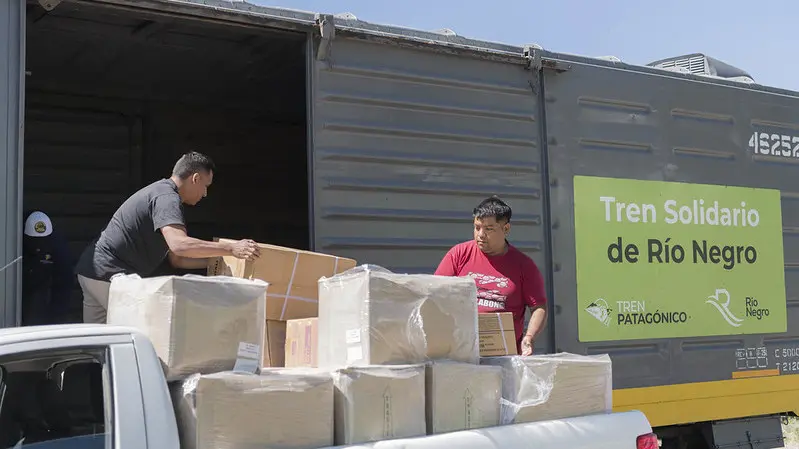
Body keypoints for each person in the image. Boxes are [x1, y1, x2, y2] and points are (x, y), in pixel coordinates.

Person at [74, 151, 261, 324]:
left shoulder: (161, 193)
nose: (205, 194)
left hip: (92, 272)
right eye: (206, 186)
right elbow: (179, 245)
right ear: (195, 178)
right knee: (147, 332)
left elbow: (177, 259)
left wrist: (219, 262)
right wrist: (230, 248)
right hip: (110, 274)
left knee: (102, 343)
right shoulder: (167, 198)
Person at [434, 196, 547, 356]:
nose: (480, 234)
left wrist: (529, 337)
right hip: (461, 352)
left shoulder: (524, 266)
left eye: (489, 229)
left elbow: (539, 307)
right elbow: (436, 292)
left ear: (506, 229)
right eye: (477, 227)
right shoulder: (459, 254)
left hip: (503, 357)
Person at [21, 210, 74, 325]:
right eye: (34, 241)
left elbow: (65, 281)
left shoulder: (58, 247)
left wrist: (58, 316)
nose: (38, 246)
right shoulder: (15, 242)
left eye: (41, 242)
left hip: (45, 288)